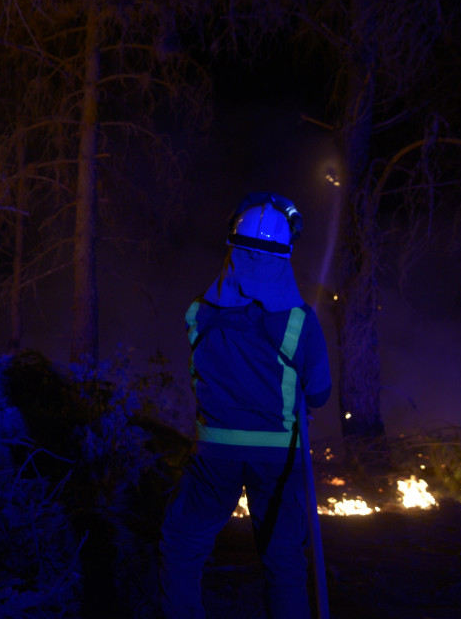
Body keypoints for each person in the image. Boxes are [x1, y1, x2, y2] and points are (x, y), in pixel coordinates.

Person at [159, 192, 332, 619]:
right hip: (277, 457)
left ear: (232, 245)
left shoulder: (199, 312)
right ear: (286, 253)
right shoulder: (300, 320)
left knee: (182, 549)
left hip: (213, 453)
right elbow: (320, 394)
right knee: (284, 561)